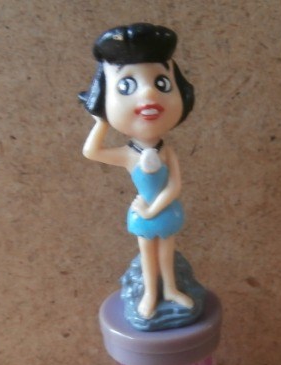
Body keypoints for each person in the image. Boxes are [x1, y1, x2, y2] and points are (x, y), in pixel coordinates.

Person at [80, 23, 196, 319]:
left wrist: (151, 209)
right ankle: (151, 294)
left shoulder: (166, 151)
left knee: (166, 253)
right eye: (126, 86)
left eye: (162, 83)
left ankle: (171, 289)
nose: (148, 93)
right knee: (148, 255)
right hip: (143, 214)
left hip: (162, 211)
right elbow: (91, 152)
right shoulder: (127, 155)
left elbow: (175, 186)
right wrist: (101, 122)